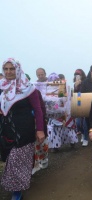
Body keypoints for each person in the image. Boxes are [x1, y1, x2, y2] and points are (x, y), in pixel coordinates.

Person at [0, 58, 45, 200]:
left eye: (11, 69)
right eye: (6, 69)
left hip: (24, 128)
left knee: (17, 159)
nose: (8, 72)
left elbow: (38, 110)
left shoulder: (28, 88)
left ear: (18, 69)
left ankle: (17, 190)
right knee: (8, 157)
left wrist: (40, 129)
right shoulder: (2, 86)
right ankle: (17, 182)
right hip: (6, 128)